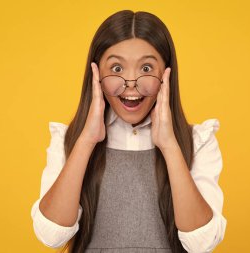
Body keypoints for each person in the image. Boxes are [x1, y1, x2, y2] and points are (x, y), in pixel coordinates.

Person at [30, 10, 227, 253]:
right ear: (96, 74)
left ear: (167, 74)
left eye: (146, 68)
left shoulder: (198, 141)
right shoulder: (69, 140)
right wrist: (87, 140)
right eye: (116, 68)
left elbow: (202, 243)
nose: (131, 82)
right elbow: (51, 235)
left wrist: (169, 145)